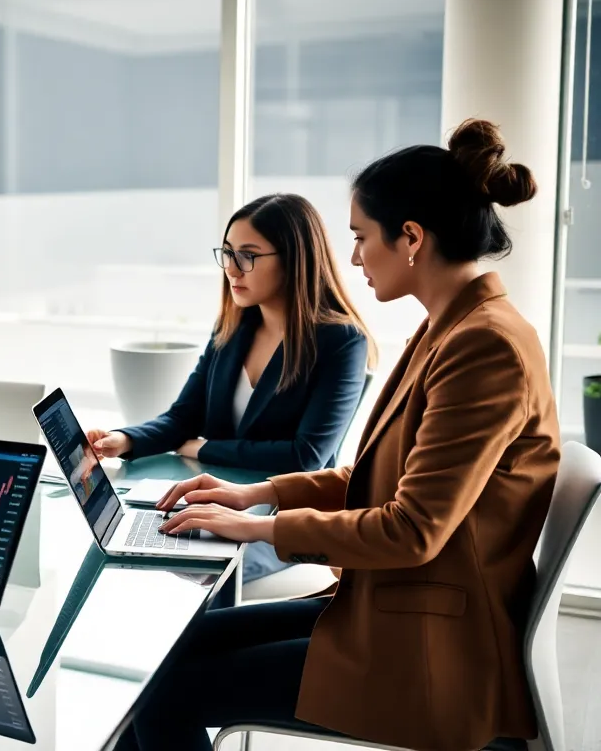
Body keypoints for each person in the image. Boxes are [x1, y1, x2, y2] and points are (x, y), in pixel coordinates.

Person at [119, 119, 560, 751]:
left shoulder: (483, 345)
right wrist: (253, 495)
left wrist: (260, 528)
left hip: (427, 645)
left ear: (411, 238)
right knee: (161, 654)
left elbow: (411, 528)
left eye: (361, 238)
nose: (353, 258)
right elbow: (375, 480)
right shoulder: (448, 329)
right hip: (390, 607)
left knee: (163, 689)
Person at [86, 192, 374, 582]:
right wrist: (124, 440)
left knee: (189, 578)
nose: (233, 269)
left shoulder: (341, 342)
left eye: (248, 256)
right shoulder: (232, 329)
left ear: (294, 259)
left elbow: (306, 457)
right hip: (216, 503)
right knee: (129, 558)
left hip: (282, 520)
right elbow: (183, 417)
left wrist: (206, 449)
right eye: (227, 253)